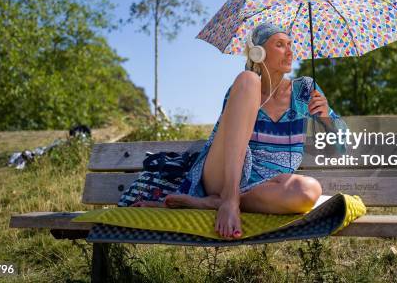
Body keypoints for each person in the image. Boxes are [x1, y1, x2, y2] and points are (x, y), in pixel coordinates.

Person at [132, 22, 350, 239]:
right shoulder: (243, 88)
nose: (290, 51)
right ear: (259, 52)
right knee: (248, 79)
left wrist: (327, 117)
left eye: (290, 44)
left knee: (309, 191)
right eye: (280, 45)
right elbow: (224, 139)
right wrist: (230, 190)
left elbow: (344, 147)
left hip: (270, 187)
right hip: (225, 175)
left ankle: (219, 202)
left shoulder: (305, 89)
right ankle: (229, 197)